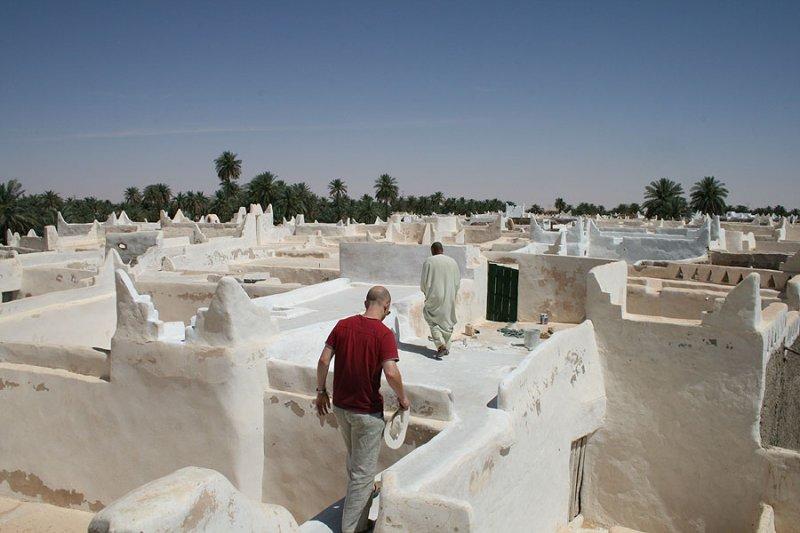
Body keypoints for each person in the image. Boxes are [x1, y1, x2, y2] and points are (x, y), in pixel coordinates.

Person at [316, 285, 410, 533]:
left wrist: (320, 391)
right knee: (362, 473)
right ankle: (352, 529)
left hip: (341, 408)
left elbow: (324, 360)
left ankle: (365, 498)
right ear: (386, 307)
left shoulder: (343, 325)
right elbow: (391, 372)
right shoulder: (384, 334)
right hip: (366, 412)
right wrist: (403, 399)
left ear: (365, 302)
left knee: (355, 461)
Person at [420, 241, 461, 356]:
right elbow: (457, 282)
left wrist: (426, 293)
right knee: (447, 321)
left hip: (434, 296)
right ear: (442, 250)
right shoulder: (452, 262)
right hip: (449, 296)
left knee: (431, 319)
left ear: (433, 250)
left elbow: (424, 282)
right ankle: (447, 346)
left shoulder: (429, 261)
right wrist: (452, 294)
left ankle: (440, 345)